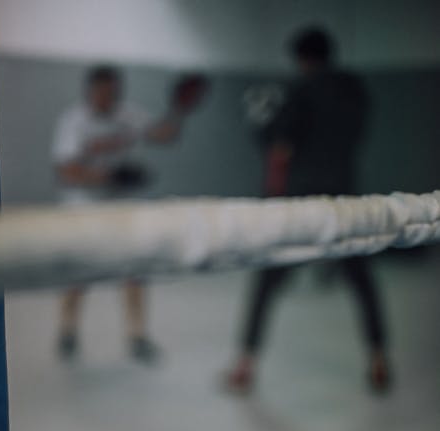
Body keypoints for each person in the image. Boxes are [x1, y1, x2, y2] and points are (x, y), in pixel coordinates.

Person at [225, 28, 391, 394]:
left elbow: (280, 149)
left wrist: (262, 131)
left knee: (268, 280)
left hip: (302, 203)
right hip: (345, 199)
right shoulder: (355, 90)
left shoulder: (300, 90)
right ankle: (378, 360)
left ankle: (244, 366)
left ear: (301, 58)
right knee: (362, 282)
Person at [52, 66, 208, 361]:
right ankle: (68, 330)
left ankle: (136, 336)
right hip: (82, 209)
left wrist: (179, 109)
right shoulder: (74, 121)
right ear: (90, 91)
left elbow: (164, 134)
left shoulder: (128, 115)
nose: (108, 97)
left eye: (113, 91)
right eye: (102, 92)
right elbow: (65, 170)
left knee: (135, 272)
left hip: (120, 209)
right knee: (77, 275)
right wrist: (109, 177)